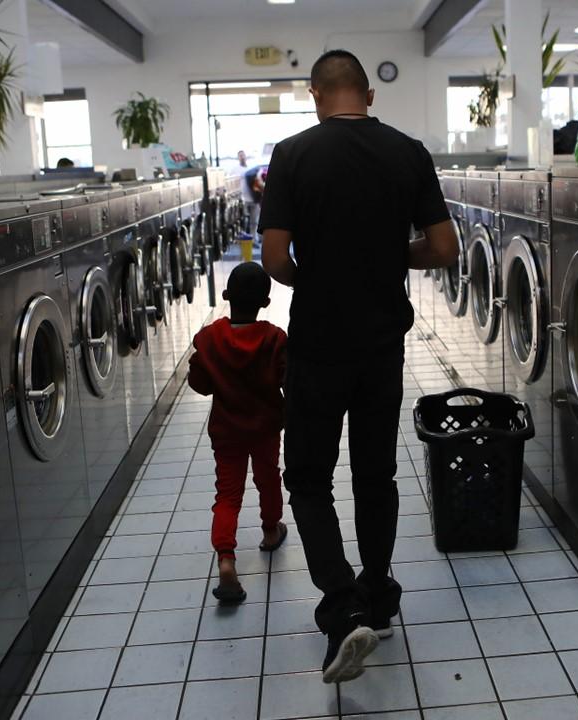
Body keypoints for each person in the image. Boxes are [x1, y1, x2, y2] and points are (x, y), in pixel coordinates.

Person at [259, 49, 458, 684]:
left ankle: (342, 609)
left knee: (310, 479)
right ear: (368, 93)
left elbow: (273, 259)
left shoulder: (291, 155)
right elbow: (446, 248)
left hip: (318, 344)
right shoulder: (408, 152)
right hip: (382, 345)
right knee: (377, 475)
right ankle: (379, 591)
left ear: (315, 93)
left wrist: (317, 276)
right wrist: (386, 257)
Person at [186, 262, 289, 603]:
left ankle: (227, 560)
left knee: (227, 495)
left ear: (226, 296)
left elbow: (200, 385)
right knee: (268, 477)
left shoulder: (210, 338)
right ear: (266, 302)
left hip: (226, 431)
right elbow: (286, 380)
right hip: (265, 428)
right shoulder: (274, 338)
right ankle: (271, 530)